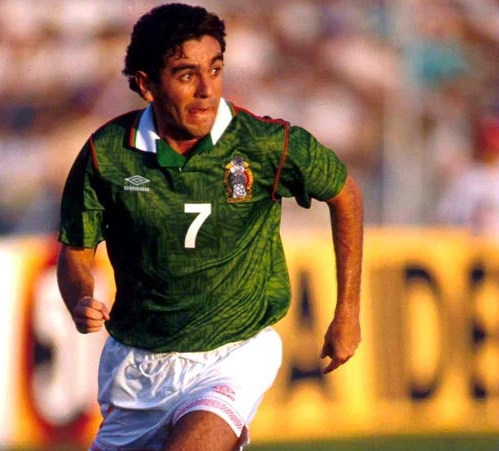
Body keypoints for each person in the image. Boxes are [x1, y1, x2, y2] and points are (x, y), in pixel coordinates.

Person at [57, 3, 363, 450]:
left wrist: (347, 312)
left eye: (215, 70)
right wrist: (79, 298)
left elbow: (345, 194)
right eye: (186, 75)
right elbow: (76, 252)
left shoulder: (264, 144)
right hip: (138, 370)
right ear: (146, 85)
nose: (206, 90)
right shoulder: (107, 155)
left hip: (233, 354)